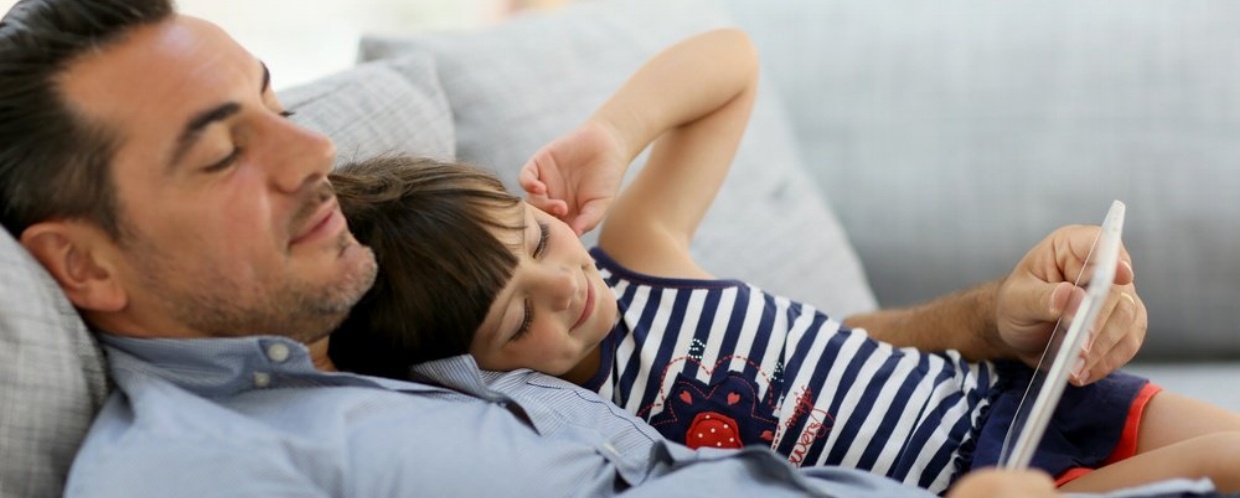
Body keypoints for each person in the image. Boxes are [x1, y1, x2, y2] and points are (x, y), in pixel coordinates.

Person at [0, 0, 1216, 497]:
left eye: (275, 100)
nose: (308, 151)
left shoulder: (375, 330)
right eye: (223, 153)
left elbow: (788, 358)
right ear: (85, 267)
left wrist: (983, 319)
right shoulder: (193, 470)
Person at [327, 29, 1240, 495]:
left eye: (536, 242)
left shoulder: (636, 259)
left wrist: (615, 133)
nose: (565, 285)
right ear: (468, 373)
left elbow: (732, 63)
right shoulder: (584, 428)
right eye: (518, 319)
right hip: (985, 485)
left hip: (1013, 392)